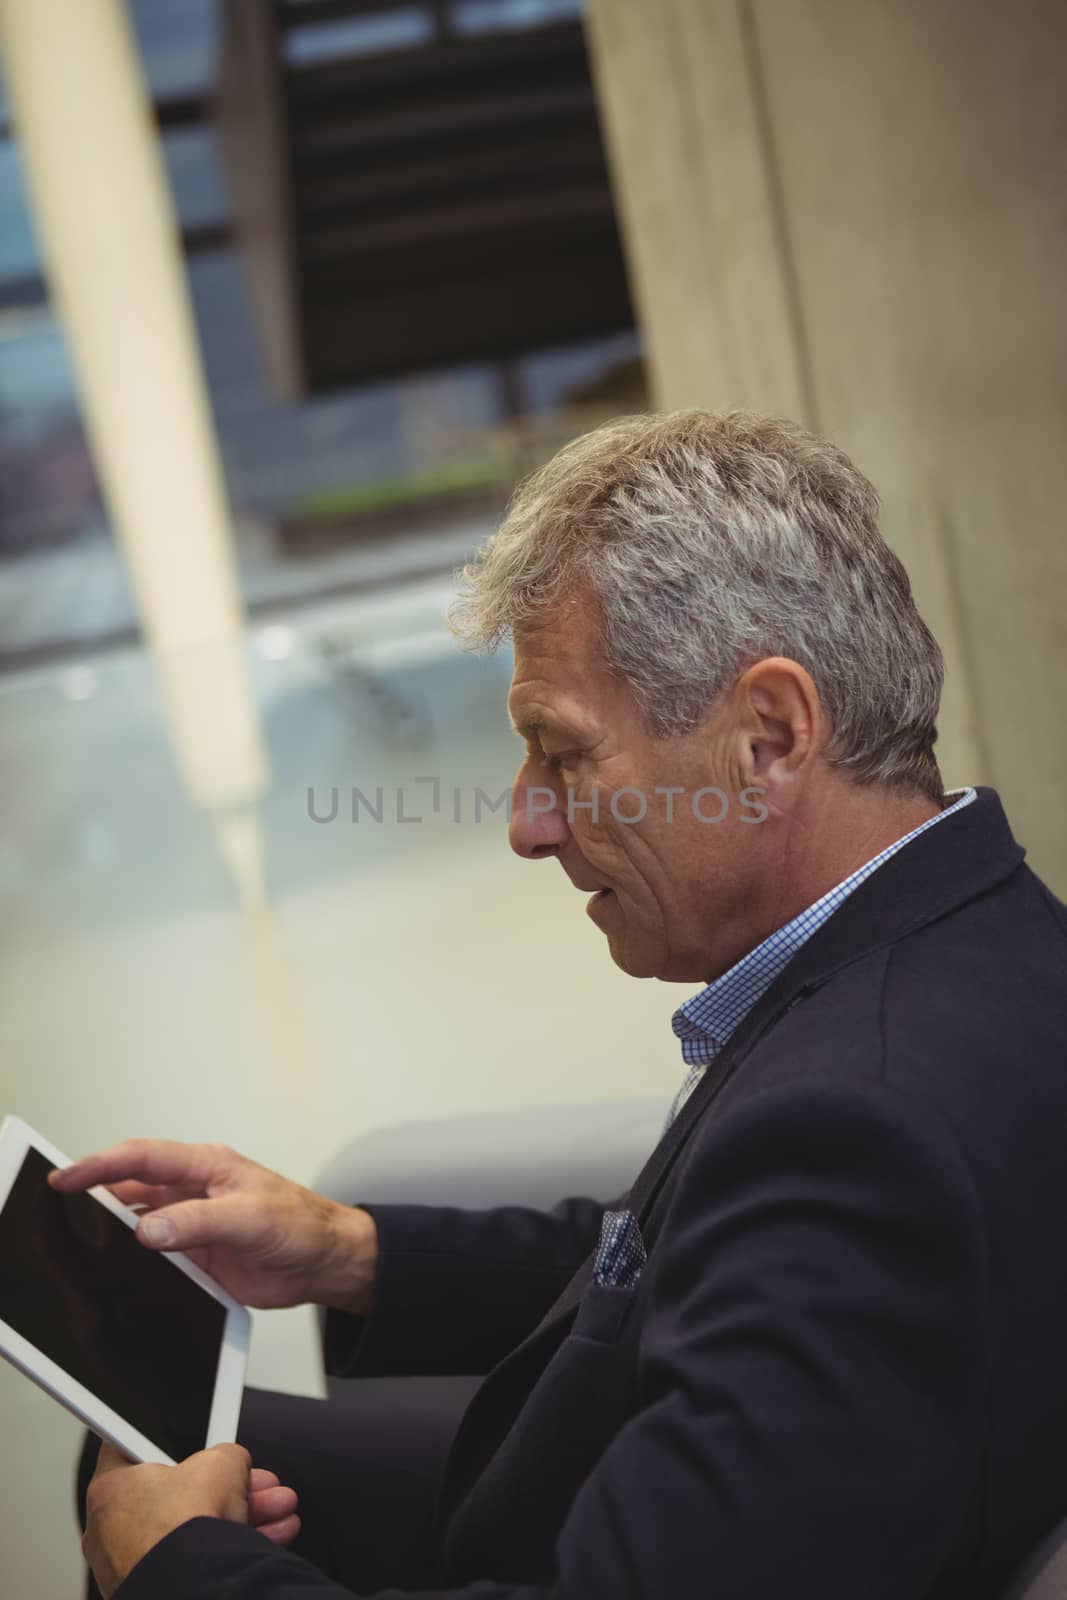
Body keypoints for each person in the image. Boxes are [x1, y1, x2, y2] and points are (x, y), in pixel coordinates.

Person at [55, 410, 1067, 1599]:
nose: (527, 824)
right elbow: (690, 1249)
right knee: (135, 1435)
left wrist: (179, 1570)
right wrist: (351, 1251)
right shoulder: (964, 931)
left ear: (770, 734)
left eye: (561, 752)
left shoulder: (864, 1141)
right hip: (603, 1461)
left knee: (142, 1485)